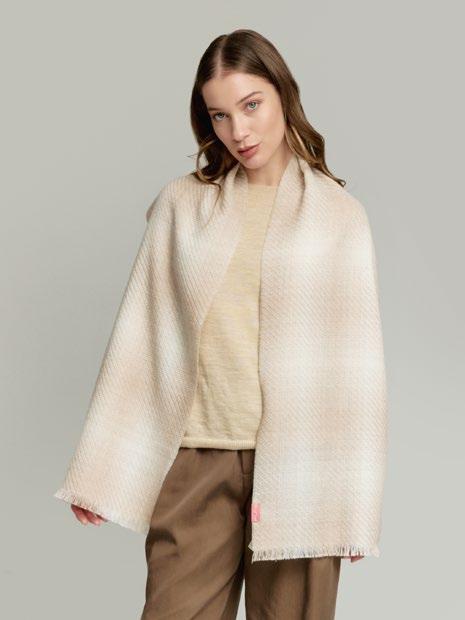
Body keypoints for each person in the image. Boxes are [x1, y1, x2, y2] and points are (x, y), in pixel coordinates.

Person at [57, 28, 387, 620]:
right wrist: (100, 472)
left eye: (251, 105)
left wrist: (356, 504)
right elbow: (141, 336)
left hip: (304, 467)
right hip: (197, 457)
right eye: (220, 115)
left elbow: (357, 369)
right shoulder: (182, 207)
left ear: (283, 93)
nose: (239, 130)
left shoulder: (339, 217)